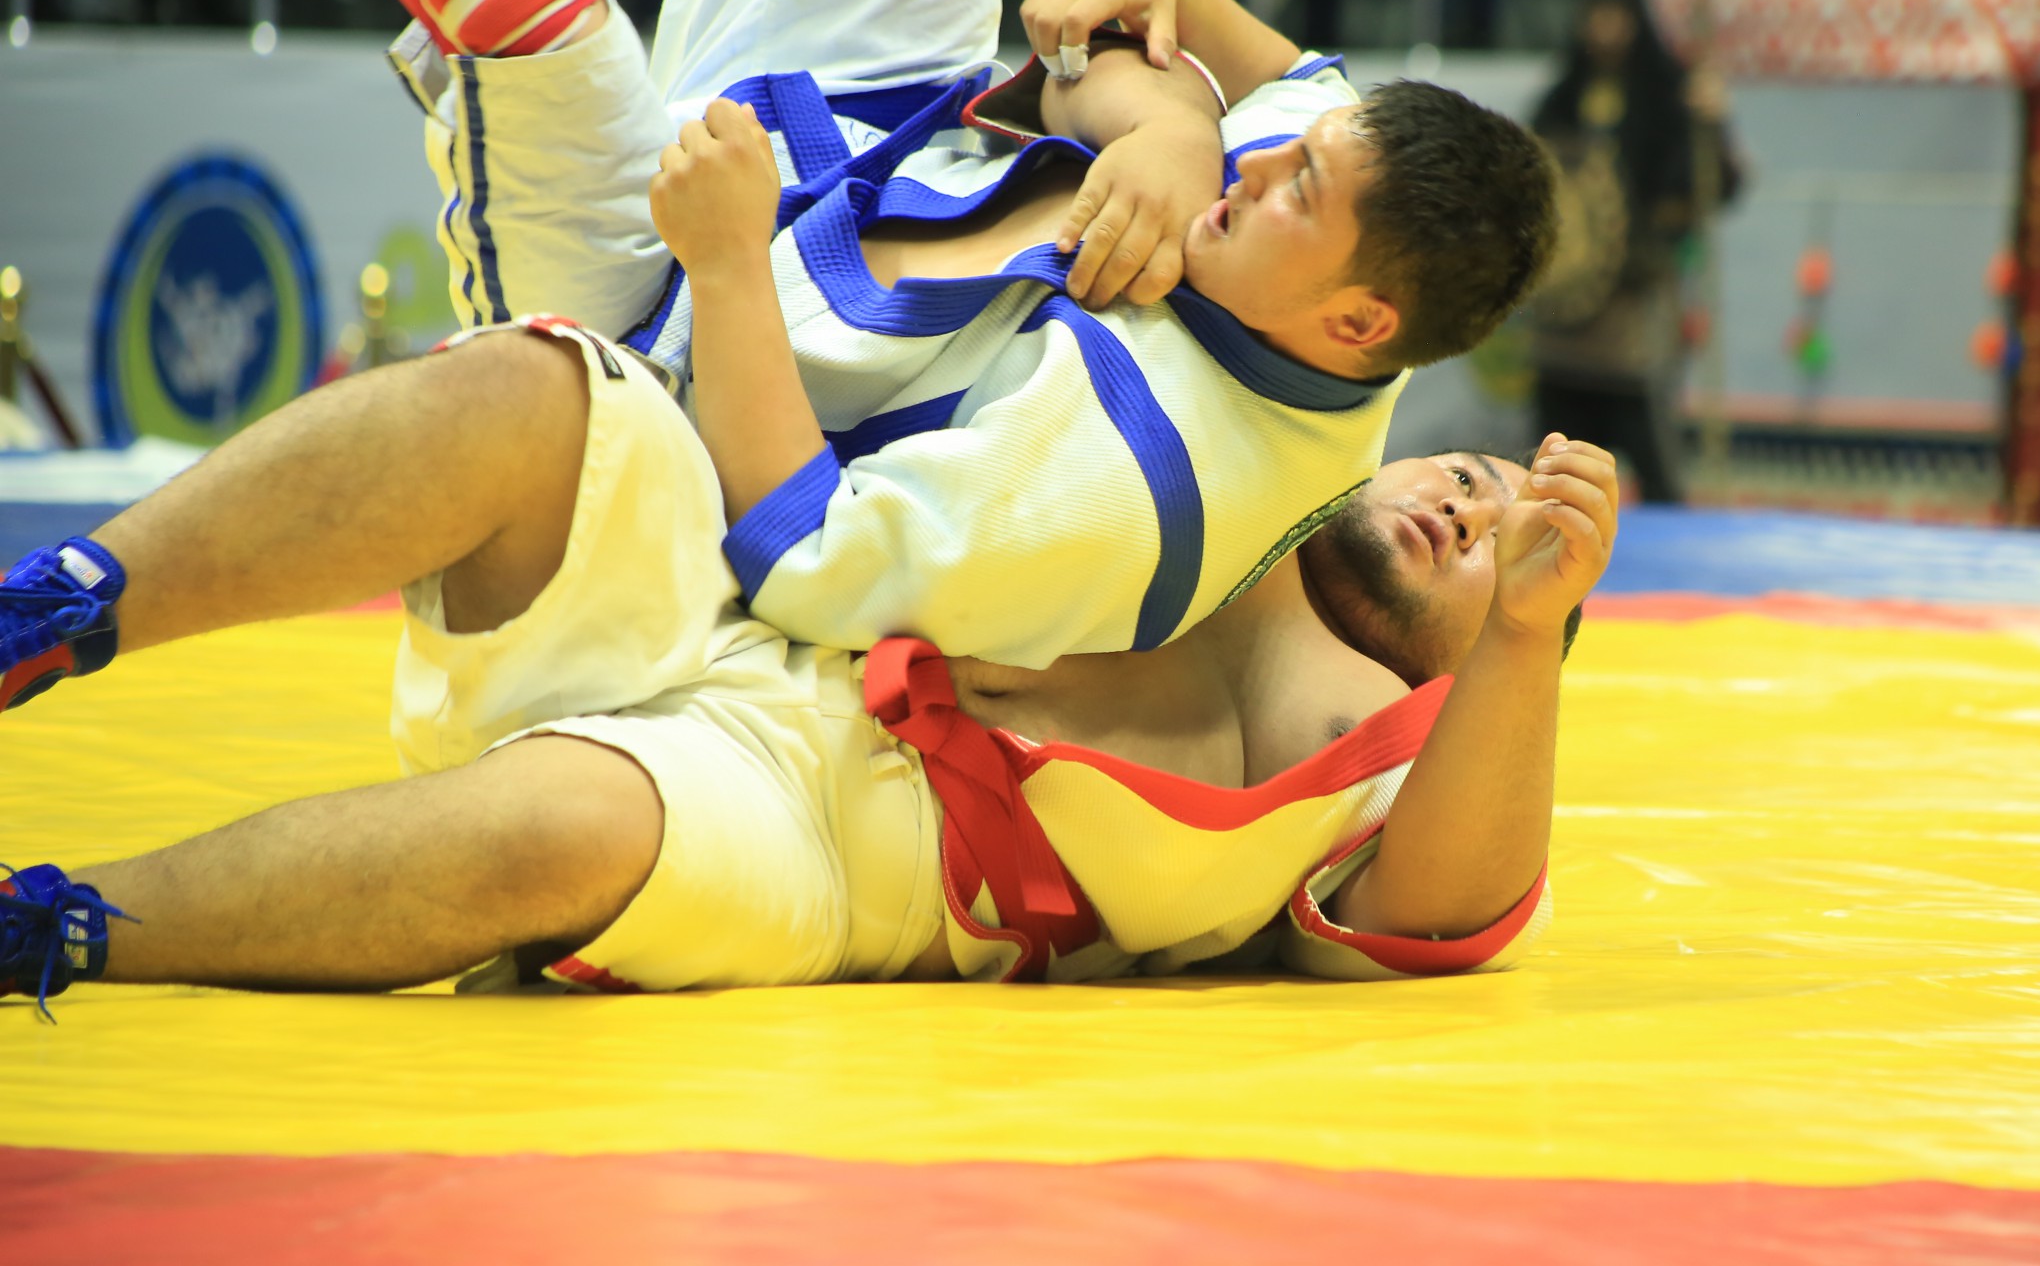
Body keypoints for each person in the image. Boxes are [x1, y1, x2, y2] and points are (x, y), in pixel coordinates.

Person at [0, 0, 1556, 723]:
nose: (1269, 162)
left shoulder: (1142, 491)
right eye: (1283, 152)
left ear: (1359, 322)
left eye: (1290, 190)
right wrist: (1175, 124)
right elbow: (1133, 7)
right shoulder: (1324, 169)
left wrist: (732, 263)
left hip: (675, 322)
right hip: (867, 111)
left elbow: (806, 562)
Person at [0, 412, 1615, 1007]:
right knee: (529, 393)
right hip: (773, 588)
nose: (1468, 509)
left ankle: (53, 927)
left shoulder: (1407, 762)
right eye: (1469, 476)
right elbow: (1332, 161)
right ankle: (53, 605)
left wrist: (1528, 634)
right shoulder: (1261, 420)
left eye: (1503, 545)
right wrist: (1167, 19)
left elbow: (1451, 906)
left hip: (837, 839)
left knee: (568, 832)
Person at [1525, 0, 1741, 505]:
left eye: (1616, 15)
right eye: (1596, 14)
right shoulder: (1562, 97)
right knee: (1554, 468)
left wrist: (1711, 125)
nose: (1605, 28)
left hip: (1634, 304)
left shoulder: (1669, 95)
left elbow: (1714, 184)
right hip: (1563, 314)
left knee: (1652, 454)